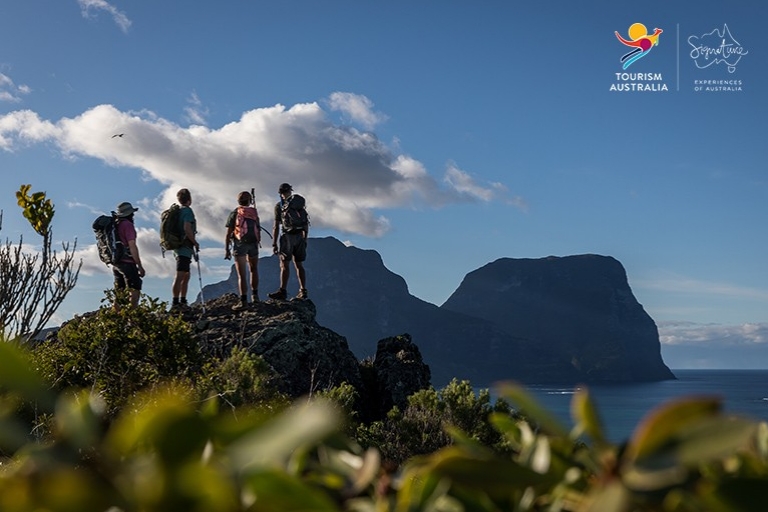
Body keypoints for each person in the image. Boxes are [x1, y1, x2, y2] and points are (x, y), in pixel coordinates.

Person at [268, 183, 309, 300]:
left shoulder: (279, 206)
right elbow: (305, 223)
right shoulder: (298, 204)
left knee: (284, 265)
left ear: (280, 193)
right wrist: (305, 239)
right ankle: (303, 290)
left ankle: (282, 291)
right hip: (300, 236)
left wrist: (274, 243)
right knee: (299, 265)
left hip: (287, 237)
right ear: (290, 191)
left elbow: (276, 226)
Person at [225, 190, 261, 310]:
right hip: (253, 243)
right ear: (250, 200)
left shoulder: (235, 213)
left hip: (240, 244)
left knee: (242, 274)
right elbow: (258, 230)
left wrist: (227, 249)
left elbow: (228, 233)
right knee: (253, 269)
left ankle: (243, 301)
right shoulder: (254, 212)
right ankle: (255, 296)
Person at [113, 201, 145, 308]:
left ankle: (115, 319)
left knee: (120, 293)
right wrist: (139, 266)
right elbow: (132, 246)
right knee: (135, 289)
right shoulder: (128, 225)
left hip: (116, 263)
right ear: (130, 214)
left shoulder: (116, 225)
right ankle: (132, 318)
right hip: (128, 263)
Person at [171, 188, 199, 308]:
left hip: (179, 247)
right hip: (184, 246)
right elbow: (187, 229)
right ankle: (176, 302)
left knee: (186, 274)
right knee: (181, 275)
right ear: (189, 199)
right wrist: (195, 242)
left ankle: (182, 300)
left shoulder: (178, 212)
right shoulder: (187, 212)